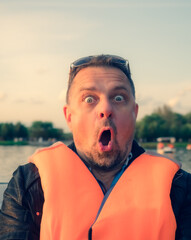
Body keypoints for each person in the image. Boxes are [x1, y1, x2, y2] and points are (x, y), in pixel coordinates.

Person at [0, 54, 191, 240]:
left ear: (135, 113)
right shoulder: (27, 184)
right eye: (89, 99)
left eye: (118, 98)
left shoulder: (181, 187)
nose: (105, 109)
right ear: (69, 117)